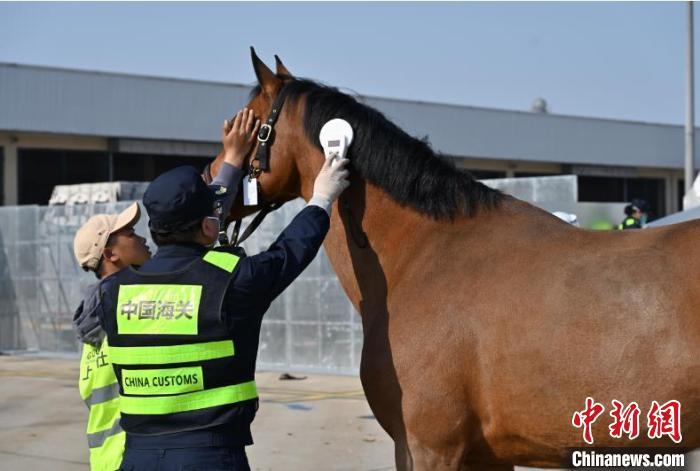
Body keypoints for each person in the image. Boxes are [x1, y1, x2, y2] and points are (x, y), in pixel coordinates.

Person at [95, 108, 350, 470]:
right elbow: (289, 252)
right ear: (209, 227)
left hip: (137, 458)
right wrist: (322, 198)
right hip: (210, 457)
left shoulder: (113, 292)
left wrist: (230, 159)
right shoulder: (232, 280)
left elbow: (198, 231)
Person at [72, 107, 259, 470]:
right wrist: (233, 162)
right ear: (110, 254)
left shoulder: (104, 311)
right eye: (127, 233)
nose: (141, 235)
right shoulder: (128, 305)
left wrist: (231, 162)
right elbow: (194, 239)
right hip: (141, 455)